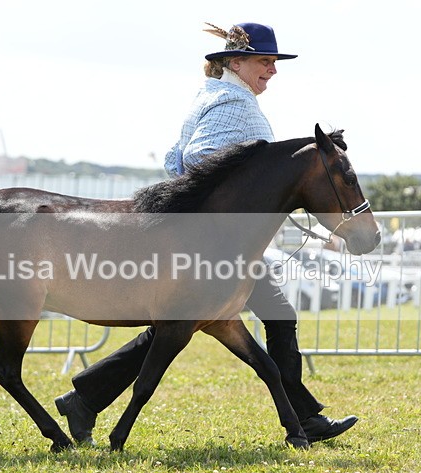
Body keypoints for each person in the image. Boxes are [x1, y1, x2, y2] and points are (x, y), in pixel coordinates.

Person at [55, 22, 358, 446]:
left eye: (273, 62)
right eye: (264, 61)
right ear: (236, 62)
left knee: (190, 324)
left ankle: (85, 398)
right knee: (230, 319)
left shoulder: (218, 95)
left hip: (221, 239)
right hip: (218, 244)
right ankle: (304, 420)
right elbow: (198, 157)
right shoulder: (236, 103)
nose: (272, 70)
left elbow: (174, 157)